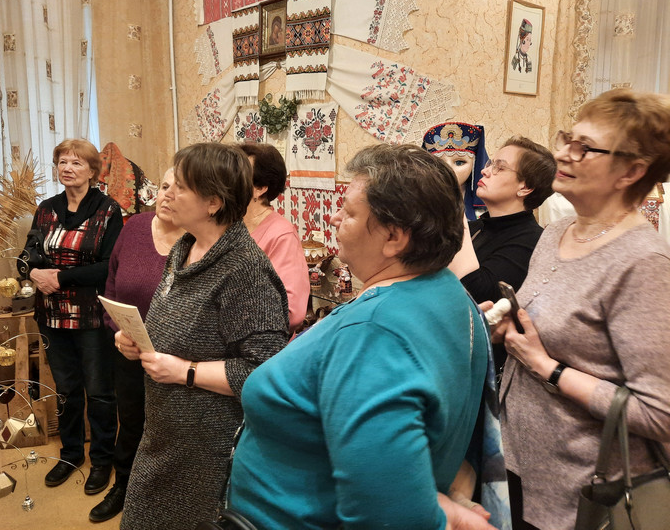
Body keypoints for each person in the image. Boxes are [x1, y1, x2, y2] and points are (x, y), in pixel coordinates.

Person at [228, 144, 490, 529]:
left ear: (393, 237)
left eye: (349, 212)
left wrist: (436, 513)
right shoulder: (447, 290)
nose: (335, 217)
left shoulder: (374, 332)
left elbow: (386, 515)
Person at [493, 89, 670, 530]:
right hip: (520, 469)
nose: (563, 154)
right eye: (567, 139)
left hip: (586, 498)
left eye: (585, 147)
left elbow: (660, 414)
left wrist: (548, 369)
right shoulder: (556, 233)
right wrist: (507, 326)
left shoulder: (644, 263)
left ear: (631, 171)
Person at [116, 143, 289, 530]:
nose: (167, 194)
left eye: (181, 187)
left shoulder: (245, 270)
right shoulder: (185, 248)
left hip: (208, 449)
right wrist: (137, 343)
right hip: (165, 433)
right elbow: (177, 329)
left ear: (213, 202)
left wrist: (185, 372)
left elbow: (264, 372)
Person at [27, 138, 123, 496]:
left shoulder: (108, 210)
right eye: (62, 162)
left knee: (99, 392)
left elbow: (108, 266)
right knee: (65, 390)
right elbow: (29, 254)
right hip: (50, 314)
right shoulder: (46, 209)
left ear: (93, 171)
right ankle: (70, 455)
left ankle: (102, 460)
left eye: (77, 163)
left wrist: (60, 278)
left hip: (92, 316)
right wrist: (32, 273)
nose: (67, 168)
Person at [88, 168, 183, 523]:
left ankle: (164, 499)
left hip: (177, 359)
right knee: (129, 422)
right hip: (130, 351)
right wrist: (117, 332)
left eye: (178, 189)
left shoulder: (197, 240)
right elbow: (112, 284)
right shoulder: (136, 227)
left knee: (169, 430)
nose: (167, 194)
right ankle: (123, 488)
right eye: (164, 186)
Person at [460, 136, 556, 373]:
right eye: (490, 164)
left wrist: (454, 215)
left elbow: (480, 295)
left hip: (477, 368)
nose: (485, 171)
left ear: (525, 187)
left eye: (499, 167)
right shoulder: (476, 227)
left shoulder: (533, 240)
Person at [238, 143, 309, 331]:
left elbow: (292, 313)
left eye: (238, 174)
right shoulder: (227, 225)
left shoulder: (282, 234)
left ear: (260, 188)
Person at [423, 122, 490, 220]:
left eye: (459, 162)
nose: (448, 169)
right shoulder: (418, 206)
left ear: (474, 164)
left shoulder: (486, 209)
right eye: (439, 163)